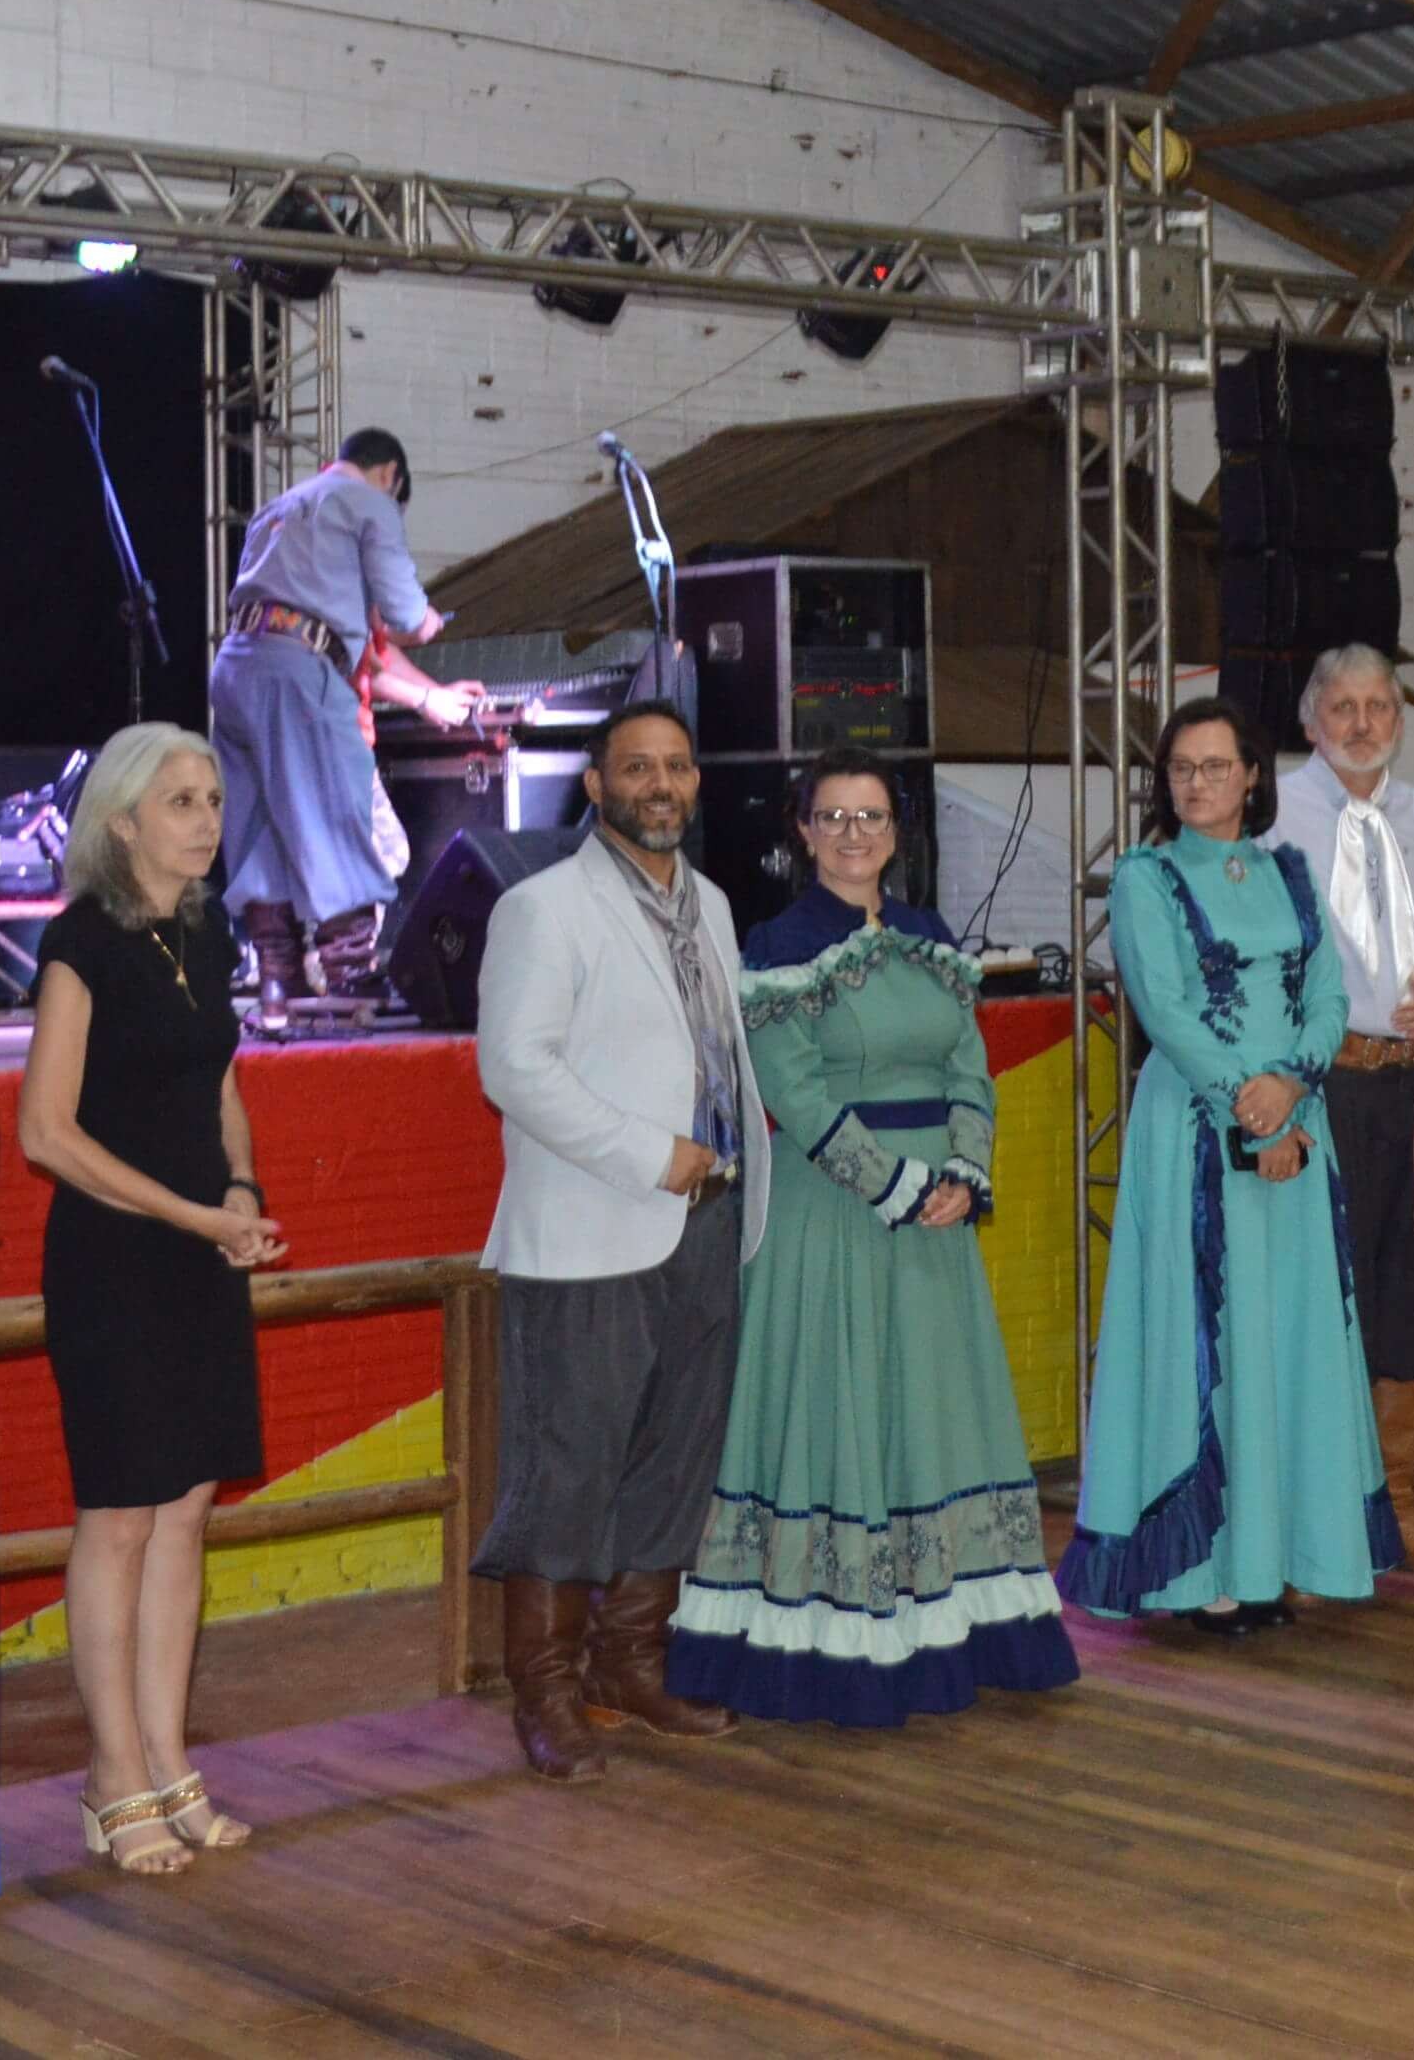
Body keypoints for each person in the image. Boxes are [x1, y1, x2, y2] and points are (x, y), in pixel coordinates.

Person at [665, 762, 1079, 1723]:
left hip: (934, 1217)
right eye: (833, 817)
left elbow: (970, 1068)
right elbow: (793, 1091)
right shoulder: (778, 944)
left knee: (930, 1409)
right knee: (841, 1403)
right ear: (803, 832)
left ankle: (953, 1628)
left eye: (872, 817)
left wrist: (963, 1176)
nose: (854, 833)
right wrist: (894, 1183)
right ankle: (835, 1644)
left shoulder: (934, 937)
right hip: (834, 1216)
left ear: (898, 831)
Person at [468, 701, 764, 1780]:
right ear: (595, 785)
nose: (661, 784)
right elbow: (514, 1068)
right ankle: (542, 1694)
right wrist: (651, 1152)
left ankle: (629, 1664)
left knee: (673, 1457)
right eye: (636, 767)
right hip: (595, 1228)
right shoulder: (542, 910)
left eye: (677, 766)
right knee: (568, 1471)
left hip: (710, 1220)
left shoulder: (715, 905)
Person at [17, 725, 286, 1875]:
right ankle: (110, 1775)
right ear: (122, 823)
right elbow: (45, 1133)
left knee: (186, 1511)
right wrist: (191, 1216)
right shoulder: (80, 945)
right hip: (115, 1262)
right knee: (119, 1517)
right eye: (180, 800)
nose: (206, 817)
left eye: (214, 797)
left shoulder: (204, 929)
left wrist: (239, 1188)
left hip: (198, 1248)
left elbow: (219, 1077)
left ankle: (170, 1760)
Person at [1065, 696, 1390, 1636]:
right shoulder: (1145, 877)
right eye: (1181, 769)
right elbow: (1163, 1010)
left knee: (1284, 1336)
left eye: (1215, 765)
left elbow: (1329, 993)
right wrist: (1254, 1111)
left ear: (1254, 774)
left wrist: (1291, 1085)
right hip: (1201, 1130)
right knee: (1209, 1337)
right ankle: (1201, 1568)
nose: (1196, 783)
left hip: (1296, 1119)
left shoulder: (1292, 871)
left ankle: (1276, 1555)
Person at [1264, 643, 1414, 1580]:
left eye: (1379, 707)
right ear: (1311, 720)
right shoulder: (1274, 814)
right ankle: (1311, 1527)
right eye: (1343, 708)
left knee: (1412, 1298)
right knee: (1318, 1308)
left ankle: (1398, 1509)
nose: (1361, 725)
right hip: (1324, 1090)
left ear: (1400, 719)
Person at [208, 429, 471, 1025]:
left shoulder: (278, 508)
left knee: (261, 825)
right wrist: (426, 620)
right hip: (299, 672)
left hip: (236, 666)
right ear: (391, 476)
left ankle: (280, 975)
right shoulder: (370, 503)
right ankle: (350, 967)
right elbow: (402, 611)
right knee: (333, 806)